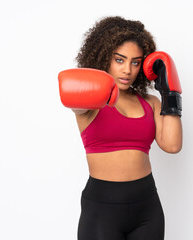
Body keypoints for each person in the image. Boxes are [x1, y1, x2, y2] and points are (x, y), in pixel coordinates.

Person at [58, 16, 183, 240]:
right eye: (119, 60)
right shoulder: (90, 102)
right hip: (102, 209)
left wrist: (170, 92)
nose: (127, 70)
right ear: (104, 57)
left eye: (135, 62)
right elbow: (69, 90)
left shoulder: (150, 102)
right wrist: (98, 83)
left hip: (147, 208)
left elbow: (172, 145)